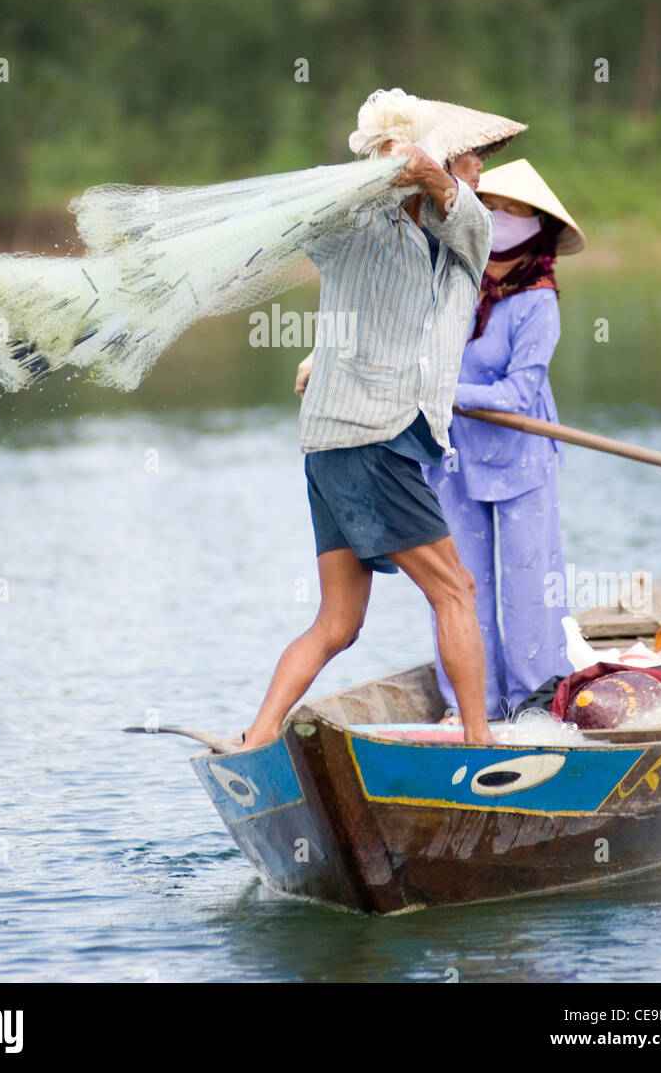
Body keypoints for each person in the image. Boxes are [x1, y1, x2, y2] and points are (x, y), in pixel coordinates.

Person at [242, 88, 528, 750]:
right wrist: (401, 167)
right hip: (371, 440)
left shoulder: (464, 229)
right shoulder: (352, 226)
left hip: (337, 443)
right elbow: (308, 221)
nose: (479, 169)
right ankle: (482, 745)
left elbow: (461, 225)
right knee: (455, 589)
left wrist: (430, 172)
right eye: (469, 157)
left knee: (339, 622)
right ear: (436, 159)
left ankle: (257, 735)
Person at [424, 158, 587, 722]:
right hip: (454, 455)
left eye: (513, 211)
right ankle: (470, 706)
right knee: (459, 582)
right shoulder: (457, 281)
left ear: (537, 225)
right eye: (491, 208)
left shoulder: (538, 299)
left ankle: (535, 702)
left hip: (520, 454)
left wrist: (448, 391)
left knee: (528, 585)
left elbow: (519, 394)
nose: (499, 218)